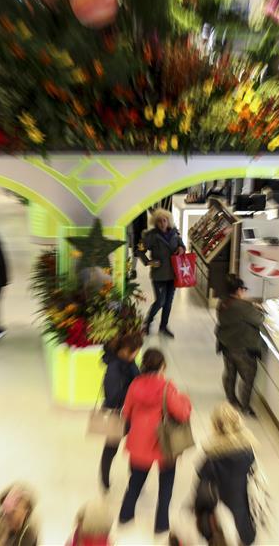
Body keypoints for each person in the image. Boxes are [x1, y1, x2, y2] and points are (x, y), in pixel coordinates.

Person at [119, 348, 192, 535]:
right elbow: (182, 413)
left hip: (138, 441)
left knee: (135, 481)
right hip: (164, 443)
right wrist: (184, 399)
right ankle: (161, 524)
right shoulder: (167, 387)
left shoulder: (135, 385)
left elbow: (126, 412)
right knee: (166, 485)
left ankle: (125, 515)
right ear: (162, 366)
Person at [197, 403, 258, 545]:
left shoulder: (213, 455)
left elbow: (202, 479)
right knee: (244, 530)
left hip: (221, 505)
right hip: (242, 500)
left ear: (216, 427)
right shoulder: (248, 450)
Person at [215, 275, 264, 416]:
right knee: (248, 377)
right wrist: (258, 309)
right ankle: (245, 407)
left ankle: (231, 399)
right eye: (243, 289)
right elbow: (259, 319)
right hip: (243, 346)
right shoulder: (243, 306)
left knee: (230, 373)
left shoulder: (223, 302)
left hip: (226, 344)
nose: (244, 292)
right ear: (237, 290)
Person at [99, 333, 142, 491]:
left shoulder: (129, 363)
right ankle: (104, 480)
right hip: (117, 414)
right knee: (111, 449)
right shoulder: (114, 368)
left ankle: (135, 479)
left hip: (132, 413)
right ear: (125, 351)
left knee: (136, 446)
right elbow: (112, 396)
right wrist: (132, 391)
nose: (136, 354)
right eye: (135, 351)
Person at [137, 209, 185, 338]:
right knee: (160, 301)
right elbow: (139, 250)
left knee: (168, 303)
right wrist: (149, 262)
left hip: (173, 274)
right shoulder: (150, 236)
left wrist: (181, 249)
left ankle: (163, 327)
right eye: (159, 221)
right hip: (159, 275)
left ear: (168, 221)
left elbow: (182, 246)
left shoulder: (175, 233)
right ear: (155, 222)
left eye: (164, 220)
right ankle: (147, 323)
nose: (162, 223)